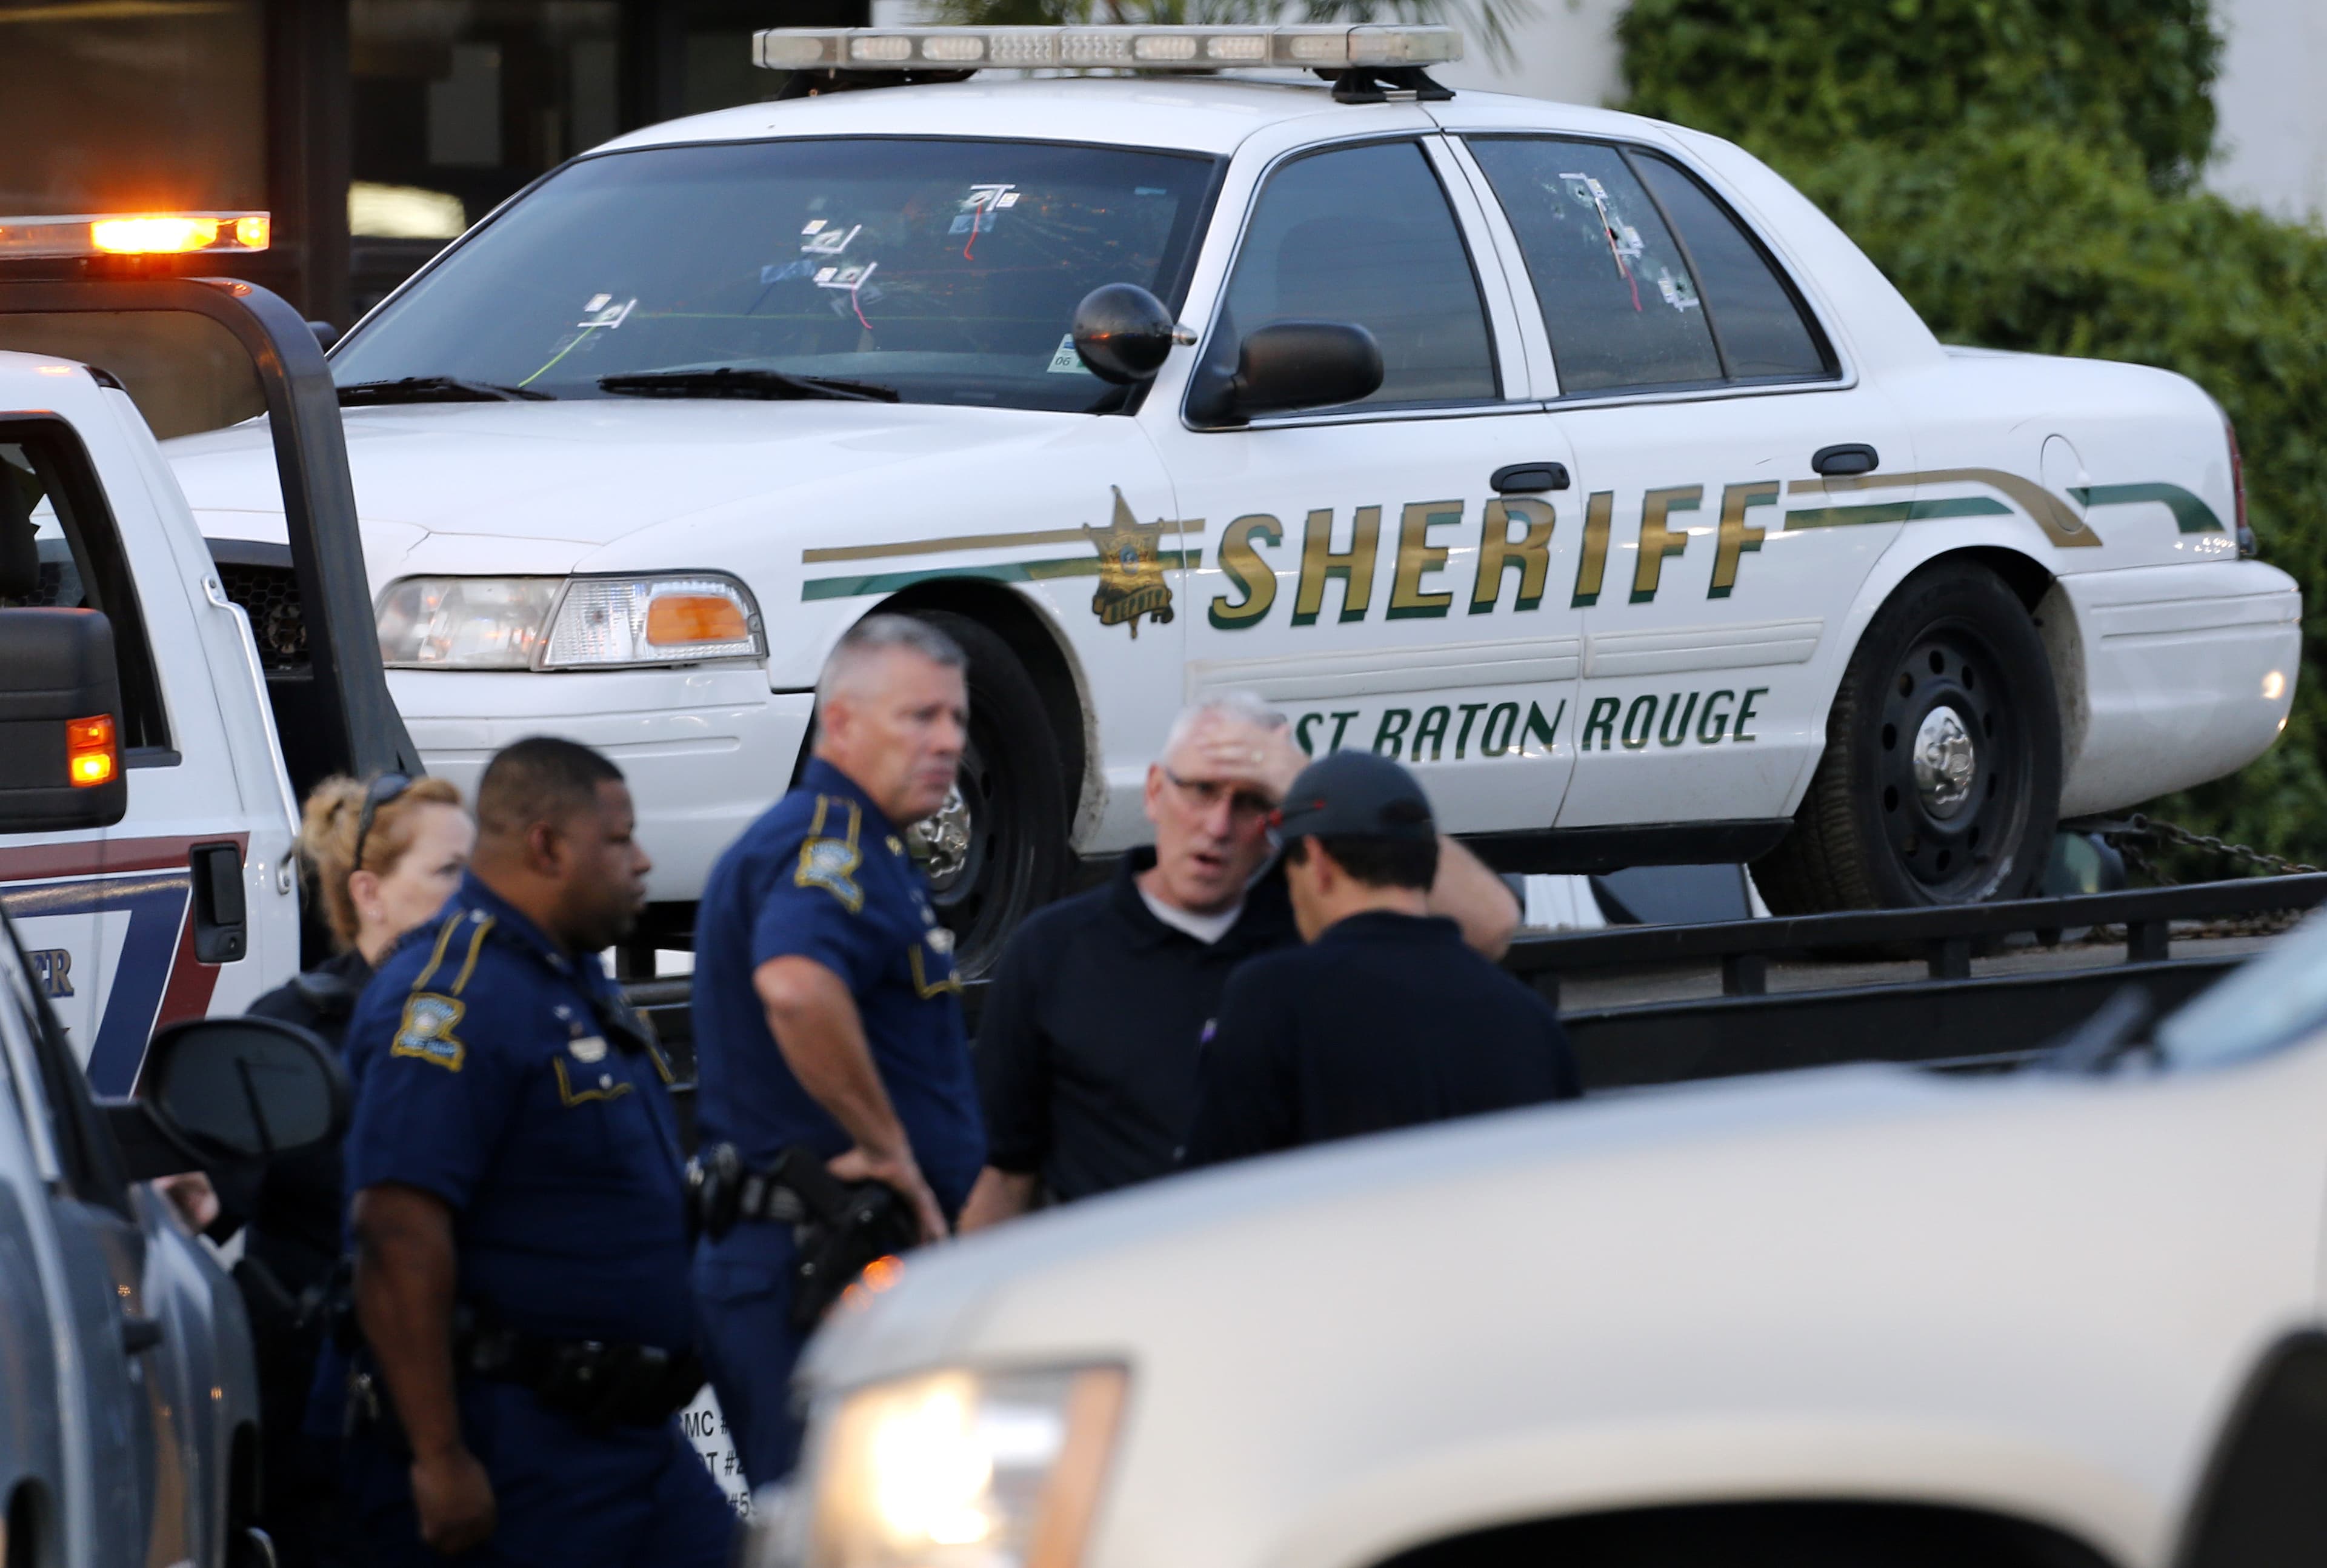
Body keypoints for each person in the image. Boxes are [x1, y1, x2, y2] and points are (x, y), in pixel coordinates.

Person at [335, 737, 730, 1567]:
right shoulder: (453, 997)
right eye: (618, 839)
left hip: (634, 1445)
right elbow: (397, 1234)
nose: (643, 859)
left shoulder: (567, 981)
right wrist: (440, 1457)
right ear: (548, 846)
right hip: (524, 1451)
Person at [959, 693, 1521, 1228]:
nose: (1218, 826)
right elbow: (1005, 1177)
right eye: (1201, 790)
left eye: (1251, 801)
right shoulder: (1055, 950)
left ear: (1281, 824)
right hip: (1127, 1287)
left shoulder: (1316, 930)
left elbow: (1491, 927)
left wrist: (1310, 784)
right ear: (1155, 792)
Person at [689, 615, 985, 1488]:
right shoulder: (828, 842)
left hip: (835, 1266)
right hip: (811, 1265)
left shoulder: (870, 849)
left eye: (957, 721)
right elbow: (796, 983)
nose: (947, 743)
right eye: (919, 718)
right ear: (843, 722)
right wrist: (892, 1150)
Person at [230, 772, 471, 1568]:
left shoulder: (503, 1016)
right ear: (369, 892)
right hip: (332, 1427)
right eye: (447, 875)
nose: (474, 897)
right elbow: (210, 1199)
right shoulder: (293, 1032)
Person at [1181, 749, 1581, 1168]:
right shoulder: (1527, 1019)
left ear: (1317, 862)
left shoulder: (1273, 998)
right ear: (1425, 863)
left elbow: (1213, 1189)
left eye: (1289, 871)